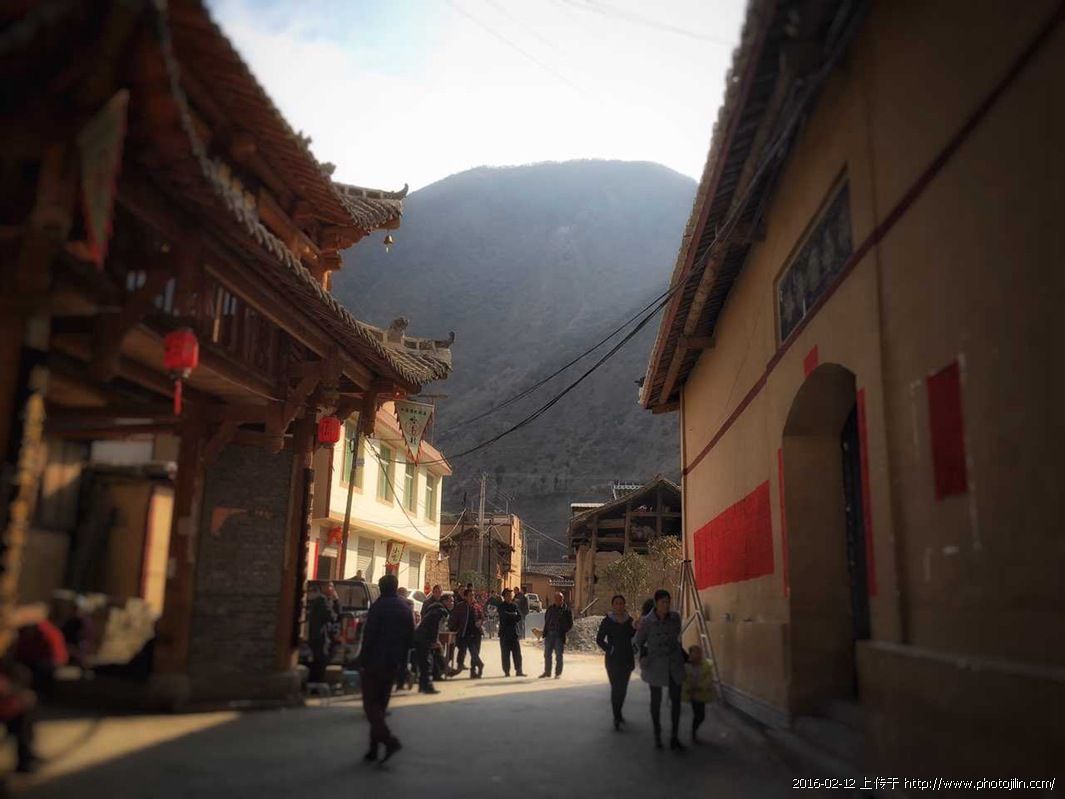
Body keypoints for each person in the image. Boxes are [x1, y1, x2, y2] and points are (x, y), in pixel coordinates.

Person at [357, 573, 414, 763]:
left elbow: (369, 636)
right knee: (380, 706)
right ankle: (373, 749)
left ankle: (389, 741)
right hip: (394, 663)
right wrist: (403, 665)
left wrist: (362, 659)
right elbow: (410, 639)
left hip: (375, 661)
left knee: (370, 705)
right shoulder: (405, 609)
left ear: (381, 588)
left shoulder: (378, 607)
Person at [634, 589, 686, 751]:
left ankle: (674, 737)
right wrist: (642, 657)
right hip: (655, 664)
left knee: (676, 701)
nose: (666, 605)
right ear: (656, 603)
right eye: (663, 602)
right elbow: (637, 642)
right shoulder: (646, 622)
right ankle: (657, 734)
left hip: (674, 663)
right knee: (655, 700)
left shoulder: (675, 618)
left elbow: (676, 636)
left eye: (668, 602)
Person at [596, 594, 636, 731]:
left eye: (621, 603)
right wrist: (610, 649)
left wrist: (637, 629)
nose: (619, 606)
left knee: (623, 689)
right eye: (616, 603)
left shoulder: (629, 621)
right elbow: (599, 639)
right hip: (612, 660)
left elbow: (635, 637)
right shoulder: (608, 621)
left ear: (624, 605)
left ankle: (619, 712)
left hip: (627, 659)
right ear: (613, 606)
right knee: (616, 688)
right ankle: (616, 716)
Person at [413, 592, 452, 694]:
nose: (452, 603)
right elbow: (434, 627)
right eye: (450, 601)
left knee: (427, 661)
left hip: (422, 637)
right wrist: (435, 641)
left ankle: (424, 685)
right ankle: (427, 686)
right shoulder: (440, 611)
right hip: (423, 638)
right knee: (426, 663)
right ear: (444, 601)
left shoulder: (435, 609)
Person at [307, 582, 339, 684]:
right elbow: (332, 616)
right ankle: (316, 684)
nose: (332, 589)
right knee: (320, 662)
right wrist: (336, 601)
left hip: (320, 636)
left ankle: (314, 683)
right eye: (330, 586)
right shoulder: (322, 601)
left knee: (319, 661)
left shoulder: (324, 600)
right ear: (324, 588)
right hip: (319, 637)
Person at [683, 645, 716, 743]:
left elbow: (709, 679)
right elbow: (684, 679)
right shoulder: (686, 666)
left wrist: (699, 687)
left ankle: (694, 732)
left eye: (699, 652)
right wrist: (688, 688)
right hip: (692, 694)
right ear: (690, 654)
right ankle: (693, 734)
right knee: (698, 715)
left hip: (701, 693)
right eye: (695, 652)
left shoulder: (705, 665)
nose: (698, 655)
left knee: (701, 716)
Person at [539, 592, 573, 679]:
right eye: (556, 599)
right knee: (547, 654)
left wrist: (563, 630)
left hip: (559, 635)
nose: (558, 601)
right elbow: (546, 619)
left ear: (562, 599)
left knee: (558, 655)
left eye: (560, 599)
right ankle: (547, 672)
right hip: (549, 634)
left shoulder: (566, 610)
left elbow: (570, 624)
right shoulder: (550, 608)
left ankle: (558, 673)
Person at [456, 589, 485, 679]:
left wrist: (480, 622)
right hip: (466, 633)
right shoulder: (461, 606)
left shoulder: (477, 606)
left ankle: (473, 671)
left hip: (476, 633)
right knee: (473, 652)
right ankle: (480, 664)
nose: (472, 597)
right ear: (465, 597)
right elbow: (455, 619)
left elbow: (482, 617)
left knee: (475, 653)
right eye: (470, 595)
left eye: (473, 595)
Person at [497, 588, 525, 677]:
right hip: (504, 634)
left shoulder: (514, 606)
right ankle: (506, 671)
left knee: (517, 653)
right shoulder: (501, 606)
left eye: (511, 595)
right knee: (505, 654)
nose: (510, 597)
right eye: (508, 595)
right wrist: (513, 615)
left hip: (514, 633)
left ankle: (519, 670)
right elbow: (504, 616)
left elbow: (519, 617)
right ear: (504, 596)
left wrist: (511, 615)